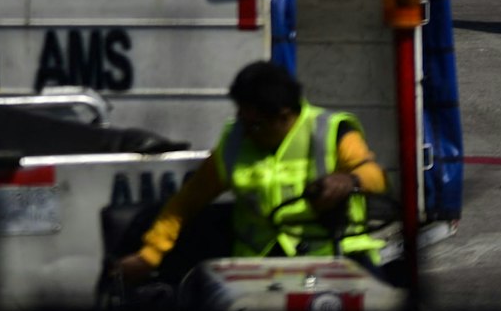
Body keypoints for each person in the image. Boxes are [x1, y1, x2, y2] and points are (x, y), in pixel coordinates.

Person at [112, 61, 386, 286]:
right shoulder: (234, 143)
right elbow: (184, 203)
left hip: (337, 260)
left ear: (284, 115)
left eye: (255, 126)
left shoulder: (331, 131)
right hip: (258, 271)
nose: (246, 133)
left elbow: (376, 176)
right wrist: (150, 255)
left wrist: (349, 180)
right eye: (243, 121)